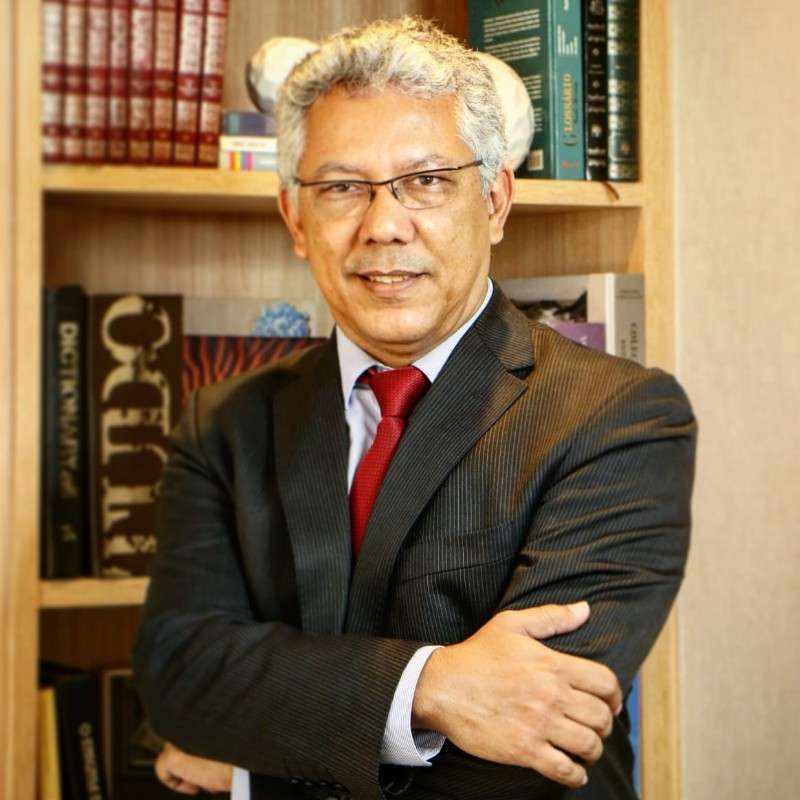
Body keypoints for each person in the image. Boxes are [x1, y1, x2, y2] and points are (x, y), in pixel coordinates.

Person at [133, 17, 697, 800]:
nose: (384, 226)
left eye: (426, 180)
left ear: (494, 200)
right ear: (295, 218)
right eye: (341, 187)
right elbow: (180, 673)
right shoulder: (223, 423)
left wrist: (250, 775)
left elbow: (531, 746)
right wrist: (430, 687)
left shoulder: (618, 418)